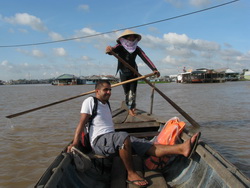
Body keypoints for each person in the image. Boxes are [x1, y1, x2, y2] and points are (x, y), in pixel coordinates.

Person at [67, 80, 200, 187]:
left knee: (148, 145)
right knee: (123, 136)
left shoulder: (106, 104)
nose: (108, 92)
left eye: (110, 90)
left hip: (112, 140)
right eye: (105, 90)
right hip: (99, 142)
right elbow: (81, 123)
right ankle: (131, 174)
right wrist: (75, 143)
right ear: (97, 91)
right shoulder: (90, 101)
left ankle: (182, 149)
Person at [106, 29, 160, 116]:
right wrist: (109, 50)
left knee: (132, 92)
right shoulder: (120, 46)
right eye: (129, 37)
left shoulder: (136, 48)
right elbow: (112, 51)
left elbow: (145, 58)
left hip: (134, 73)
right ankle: (130, 105)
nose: (131, 38)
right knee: (127, 92)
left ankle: (131, 108)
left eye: (133, 37)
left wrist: (154, 69)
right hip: (123, 73)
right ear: (125, 38)